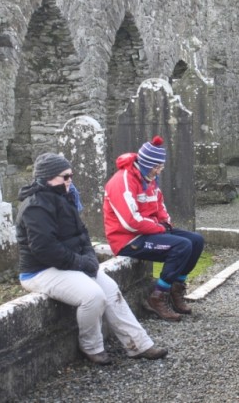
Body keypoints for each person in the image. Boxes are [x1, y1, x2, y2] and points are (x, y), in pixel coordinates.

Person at [15, 153, 168, 366]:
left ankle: (139, 344)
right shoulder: (35, 206)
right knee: (93, 296)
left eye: (71, 176)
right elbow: (44, 249)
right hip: (40, 270)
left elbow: (82, 234)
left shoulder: (65, 197)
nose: (70, 181)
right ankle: (91, 346)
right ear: (48, 178)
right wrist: (80, 263)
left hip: (67, 264)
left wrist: (88, 257)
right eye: (65, 177)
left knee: (111, 290)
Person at [103, 135, 205, 322]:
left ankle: (176, 288)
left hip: (150, 230)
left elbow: (159, 206)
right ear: (145, 164)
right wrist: (159, 228)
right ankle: (158, 296)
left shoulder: (149, 177)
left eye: (160, 167)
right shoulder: (122, 181)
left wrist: (165, 223)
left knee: (196, 241)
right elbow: (130, 221)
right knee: (181, 246)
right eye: (156, 167)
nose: (158, 171)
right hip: (128, 239)